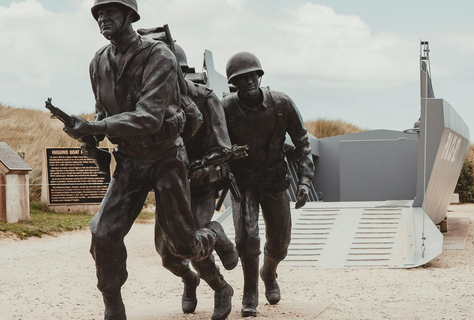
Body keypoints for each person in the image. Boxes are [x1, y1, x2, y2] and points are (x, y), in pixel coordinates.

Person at [62, 1, 237, 319]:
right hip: (129, 160)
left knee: (182, 244)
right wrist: (87, 131)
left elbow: (149, 117)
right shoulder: (98, 62)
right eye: (98, 13)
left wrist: (97, 126)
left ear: (130, 15)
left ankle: (214, 234)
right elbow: (104, 112)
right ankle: (113, 304)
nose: (103, 17)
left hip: (165, 158)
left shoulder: (159, 56)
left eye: (111, 11)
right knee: (102, 233)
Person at [221, 52, 314, 317]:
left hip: (275, 181)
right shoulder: (225, 108)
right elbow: (215, 144)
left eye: (253, 75)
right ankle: (250, 292)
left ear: (260, 76)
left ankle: (269, 272)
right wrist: (224, 171)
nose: (249, 81)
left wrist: (305, 180)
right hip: (244, 182)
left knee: (280, 242)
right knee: (246, 239)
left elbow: (302, 142)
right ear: (234, 83)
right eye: (242, 78)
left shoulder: (281, 104)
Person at [152, 43, 236, 320]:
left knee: (192, 242)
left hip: (200, 184)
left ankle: (221, 288)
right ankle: (189, 280)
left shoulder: (205, 97)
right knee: (167, 256)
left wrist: (200, 167)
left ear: (179, 69)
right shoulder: (150, 102)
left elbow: (223, 146)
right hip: (169, 188)